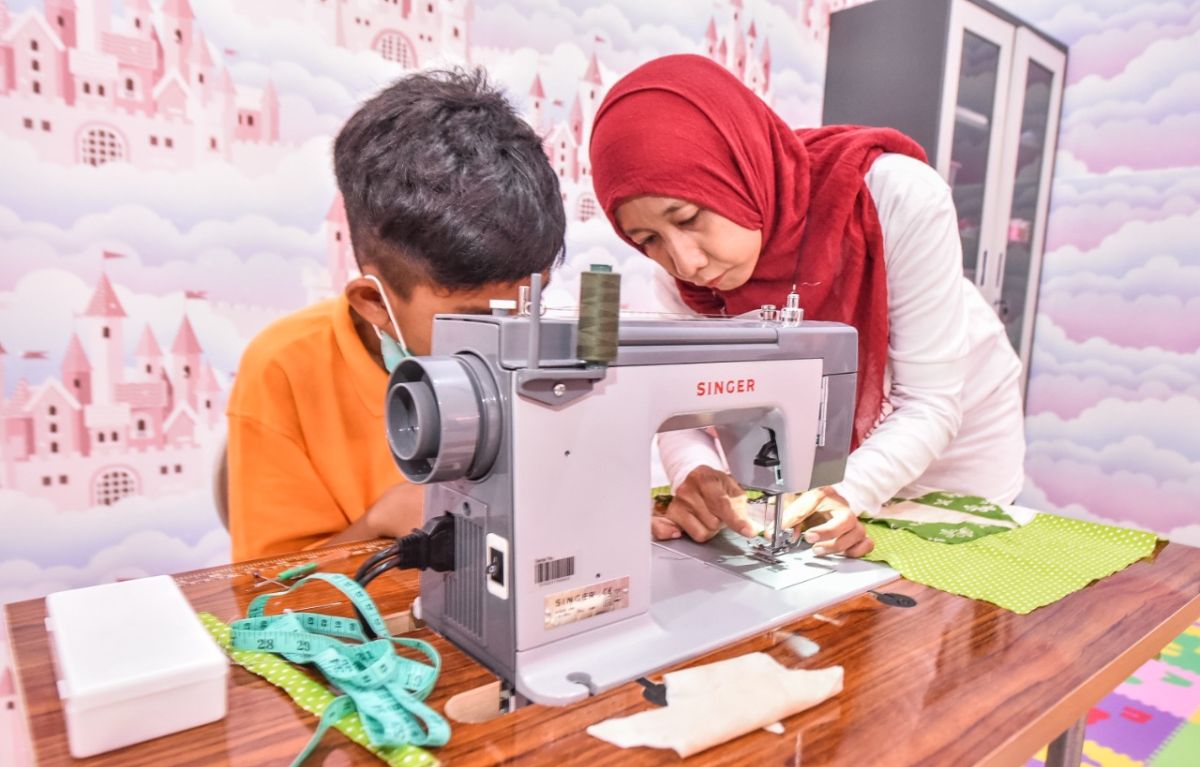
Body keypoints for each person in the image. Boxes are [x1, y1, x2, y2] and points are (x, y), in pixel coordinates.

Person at [591, 55, 1025, 558]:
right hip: (826, 466)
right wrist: (695, 473)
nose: (684, 261)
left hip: (952, 450)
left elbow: (928, 402)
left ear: (738, 171)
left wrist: (852, 490)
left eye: (688, 217)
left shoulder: (892, 197)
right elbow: (684, 409)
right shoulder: (677, 277)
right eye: (647, 239)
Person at [226, 69, 566, 561]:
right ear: (374, 304)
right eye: (473, 320)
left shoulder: (543, 349)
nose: (510, 340)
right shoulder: (285, 369)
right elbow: (265, 590)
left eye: (528, 306)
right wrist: (378, 523)